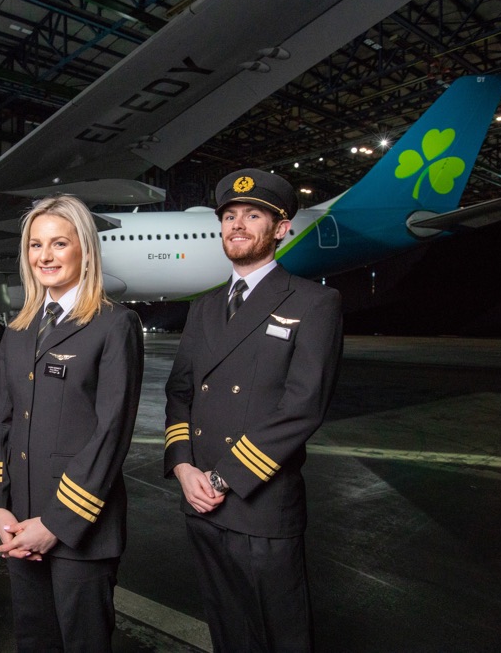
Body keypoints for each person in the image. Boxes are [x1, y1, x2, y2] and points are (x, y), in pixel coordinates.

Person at [164, 169, 343, 652]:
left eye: (253, 214)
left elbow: (302, 408)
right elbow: (179, 392)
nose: (237, 224)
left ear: (281, 228)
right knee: (228, 629)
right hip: (199, 501)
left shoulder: (314, 302)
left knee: (279, 636)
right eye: (229, 215)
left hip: (259, 505)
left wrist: (221, 479)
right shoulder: (202, 308)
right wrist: (183, 468)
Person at [0, 194, 144, 652]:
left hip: (78, 529)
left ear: (84, 250)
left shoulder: (114, 325)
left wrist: (53, 523)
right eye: (35, 245)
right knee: (35, 642)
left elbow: (111, 434)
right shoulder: (17, 330)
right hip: (18, 524)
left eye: (58, 244)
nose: (45, 256)